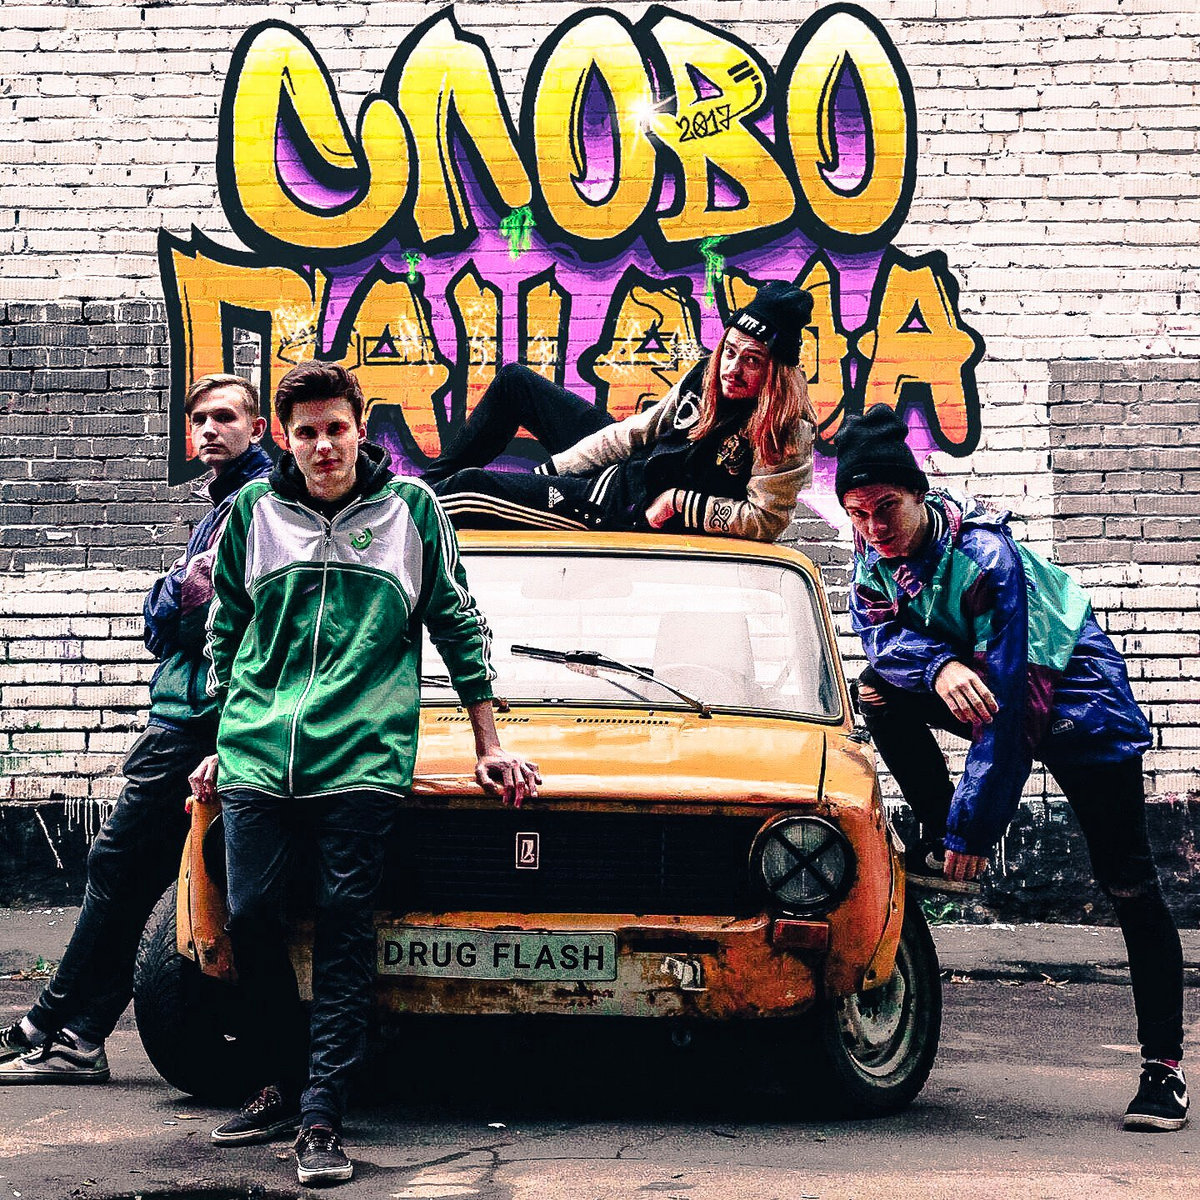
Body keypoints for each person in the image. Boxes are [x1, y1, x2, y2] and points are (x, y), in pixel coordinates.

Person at [186, 360, 540, 1187]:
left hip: (362, 757)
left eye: (335, 429)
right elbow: (226, 630)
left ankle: (322, 1118)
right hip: (256, 753)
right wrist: (219, 737)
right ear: (285, 438)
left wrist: (489, 743)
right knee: (251, 913)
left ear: (360, 426)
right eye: (306, 432)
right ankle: (280, 1082)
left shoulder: (410, 510)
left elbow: (457, 623)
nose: (323, 446)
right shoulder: (253, 513)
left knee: (345, 927)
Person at [835, 404, 1188, 1133]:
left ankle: (1164, 1069)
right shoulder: (872, 567)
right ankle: (938, 831)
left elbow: (1013, 709)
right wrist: (937, 666)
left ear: (920, 495)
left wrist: (977, 832)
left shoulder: (986, 559)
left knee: (1128, 882)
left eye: (886, 507)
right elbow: (882, 646)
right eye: (858, 513)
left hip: (1077, 707)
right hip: (998, 693)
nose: (873, 527)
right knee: (875, 691)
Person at [0, 374, 271, 1083]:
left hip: (193, 722)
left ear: (257, 428)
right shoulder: (220, 506)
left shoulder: (253, 503)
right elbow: (164, 617)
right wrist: (173, 596)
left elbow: (193, 615)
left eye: (224, 417)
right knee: (142, 876)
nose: (208, 430)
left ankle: (45, 1023)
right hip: (190, 716)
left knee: (116, 866)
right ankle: (78, 1037)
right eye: (199, 419)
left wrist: (174, 596)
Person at [423, 281, 816, 541]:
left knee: (467, 490)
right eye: (729, 351)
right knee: (516, 383)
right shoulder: (707, 376)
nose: (732, 368)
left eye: (752, 360)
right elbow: (637, 432)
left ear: (776, 371)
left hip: (620, 507)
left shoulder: (786, 427)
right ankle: (416, 489)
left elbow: (766, 519)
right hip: (635, 468)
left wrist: (677, 503)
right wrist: (553, 472)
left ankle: (407, 510)